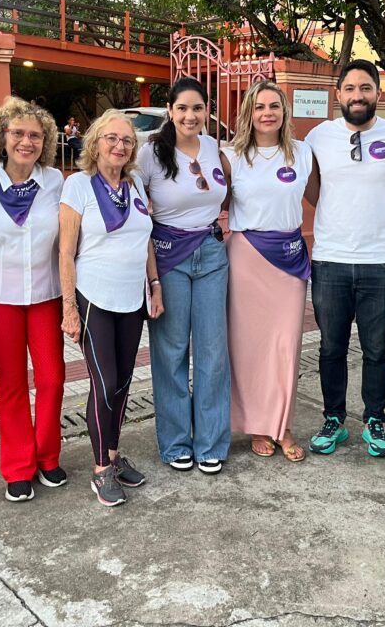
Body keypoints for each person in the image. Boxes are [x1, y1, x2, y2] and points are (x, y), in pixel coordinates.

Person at [303, 59, 385, 457]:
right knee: (331, 347)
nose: (357, 95)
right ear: (338, 94)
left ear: (378, 93)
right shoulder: (319, 136)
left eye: (365, 88)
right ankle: (333, 418)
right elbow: (313, 188)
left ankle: (374, 420)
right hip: (330, 259)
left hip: (382, 261)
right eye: (350, 88)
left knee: (377, 349)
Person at [59, 111, 163, 507]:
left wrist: (154, 285)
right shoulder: (78, 186)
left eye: (127, 140)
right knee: (103, 385)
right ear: (95, 142)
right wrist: (69, 308)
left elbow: (145, 239)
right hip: (94, 298)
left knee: (122, 382)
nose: (120, 146)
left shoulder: (134, 185)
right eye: (112, 138)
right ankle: (101, 468)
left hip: (131, 299)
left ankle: (114, 456)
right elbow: (66, 252)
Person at [0, 97, 66, 502]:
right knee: (10, 385)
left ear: (46, 142)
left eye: (36, 136)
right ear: (2, 137)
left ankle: (47, 456)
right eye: (18, 133)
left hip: (46, 295)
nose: (27, 142)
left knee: (52, 379)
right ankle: (17, 467)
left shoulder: (55, 181)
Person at [137, 77, 232, 474]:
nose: (190, 116)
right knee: (171, 351)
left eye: (197, 108)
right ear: (170, 111)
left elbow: (229, 194)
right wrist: (151, 278)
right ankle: (176, 442)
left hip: (211, 253)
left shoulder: (214, 148)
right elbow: (134, 210)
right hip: (168, 256)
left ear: (207, 110)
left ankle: (210, 442)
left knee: (213, 351)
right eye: (182, 108)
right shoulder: (150, 154)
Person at [223, 81, 313, 463]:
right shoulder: (231, 157)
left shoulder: (303, 153)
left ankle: (283, 424)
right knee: (248, 348)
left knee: (286, 346)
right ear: (249, 112)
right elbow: (214, 202)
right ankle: (258, 424)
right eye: (259, 106)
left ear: (284, 111)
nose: (267, 113)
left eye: (274, 106)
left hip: (289, 260)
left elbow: (322, 198)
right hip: (247, 258)